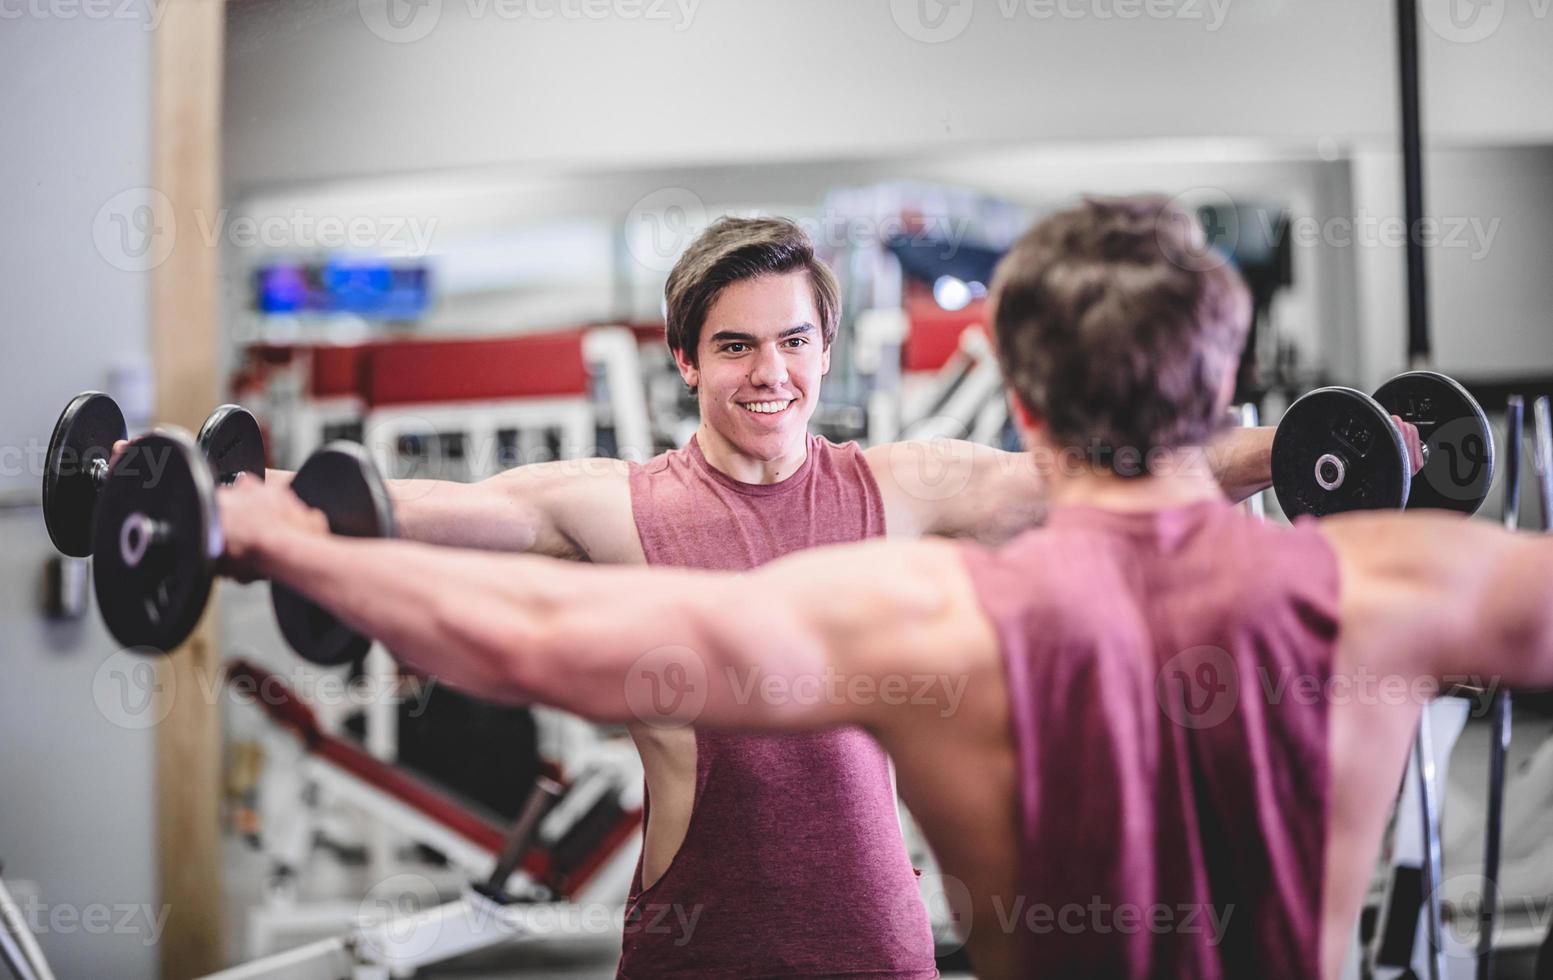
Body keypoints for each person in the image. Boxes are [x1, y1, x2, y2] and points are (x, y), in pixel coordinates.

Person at [168, 216, 1286, 978]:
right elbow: (427, 506)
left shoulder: (897, 487)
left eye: (794, 341)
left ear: (826, 346)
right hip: (695, 946)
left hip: (875, 945)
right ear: (687, 363)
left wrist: (1292, 450)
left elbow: (1093, 476)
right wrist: (246, 507)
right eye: (736, 345)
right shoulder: (611, 503)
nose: (770, 374)